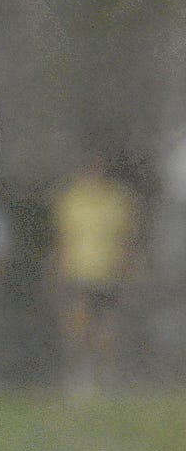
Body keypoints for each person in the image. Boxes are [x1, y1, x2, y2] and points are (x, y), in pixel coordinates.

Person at [51, 154, 137, 394]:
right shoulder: (71, 199)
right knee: (78, 326)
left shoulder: (117, 199)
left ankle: (105, 376)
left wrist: (130, 268)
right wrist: (58, 269)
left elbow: (127, 238)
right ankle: (81, 375)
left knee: (108, 330)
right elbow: (63, 238)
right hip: (78, 271)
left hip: (108, 272)